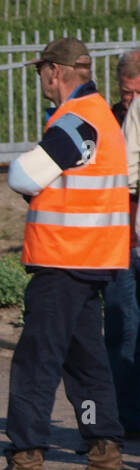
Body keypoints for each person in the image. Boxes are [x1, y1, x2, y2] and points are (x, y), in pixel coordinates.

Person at [0, 37, 129, 470]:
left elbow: (23, 175)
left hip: (62, 259)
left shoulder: (78, 119)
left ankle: (25, 463)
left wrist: (30, 180)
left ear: (55, 72)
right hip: (91, 259)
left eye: (40, 71)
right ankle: (105, 460)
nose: (40, 79)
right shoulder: (100, 115)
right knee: (85, 364)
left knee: (36, 363)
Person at [106, 52, 140, 434]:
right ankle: (125, 416)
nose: (130, 101)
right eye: (125, 93)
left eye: (137, 93)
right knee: (121, 329)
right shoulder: (110, 120)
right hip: (118, 240)